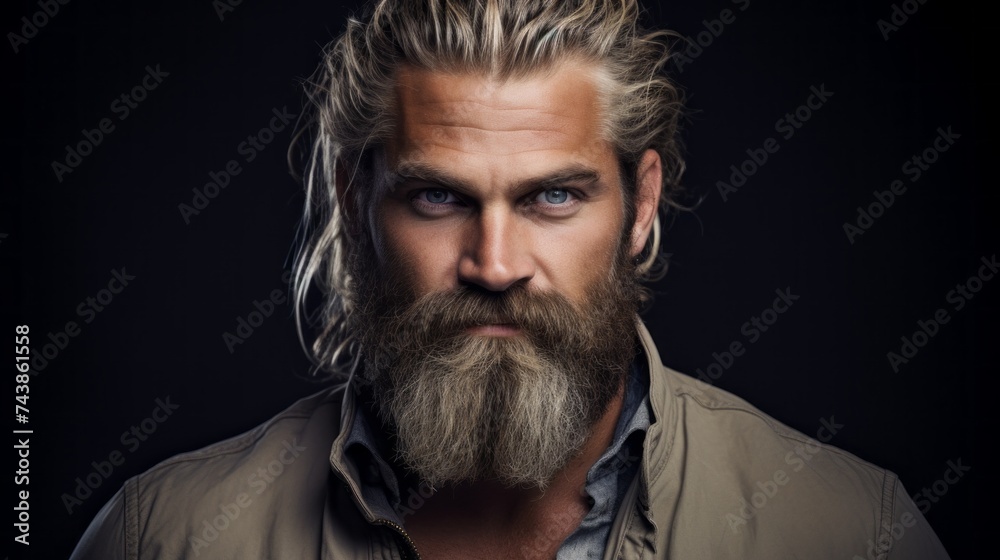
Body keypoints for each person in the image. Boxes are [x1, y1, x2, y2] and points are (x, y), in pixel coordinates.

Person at [71, 0, 952, 558]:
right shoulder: (168, 536)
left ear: (641, 204)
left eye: (555, 197)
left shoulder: (847, 531)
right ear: (354, 201)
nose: (494, 265)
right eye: (437, 197)